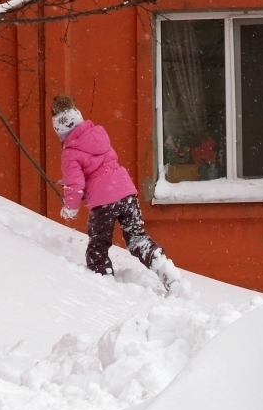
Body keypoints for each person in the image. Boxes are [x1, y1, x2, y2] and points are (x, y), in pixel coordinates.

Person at [52, 95, 181, 289]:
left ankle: (104, 286)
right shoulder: (98, 134)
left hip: (104, 203)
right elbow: (99, 167)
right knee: (136, 237)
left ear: (60, 131)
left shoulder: (69, 153)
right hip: (126, 192)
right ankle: (163, 267)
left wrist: (70, 207)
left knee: (98, 245)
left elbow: (76, 183)